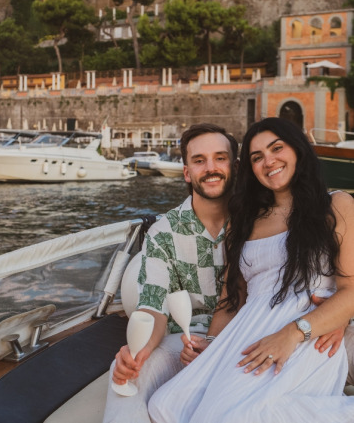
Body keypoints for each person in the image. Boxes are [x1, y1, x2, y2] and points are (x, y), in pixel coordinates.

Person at [148, 117, 354, 423]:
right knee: (166, 406)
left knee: (237, 416)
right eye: (257, 157)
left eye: (277, 148)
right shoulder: (243, 221)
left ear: (297, 150)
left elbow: (350, 289)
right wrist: (212, 344)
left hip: (305, 332)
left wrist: (294, 333)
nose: (269, 161)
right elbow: (233, 296)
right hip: (245, 332)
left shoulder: (335, 205)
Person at [102, 123, 239, 423]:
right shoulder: (163, 233)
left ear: (234, 166)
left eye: (220, 157)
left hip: (241, 338)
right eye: (199, 160)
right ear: (187, 173)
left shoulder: (257, 223)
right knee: (125, 374)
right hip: (184, 343)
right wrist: (138, 350)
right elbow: (153, 304)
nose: (211, 168)